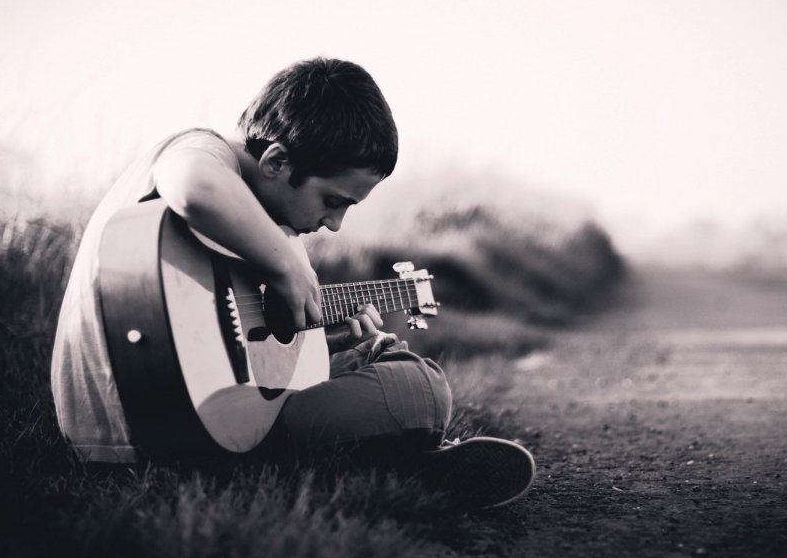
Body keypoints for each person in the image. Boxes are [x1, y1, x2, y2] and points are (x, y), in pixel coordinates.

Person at [50, 57, 534, 510]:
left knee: (369, 350)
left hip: (176, 420)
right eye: (333, 200)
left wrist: (319, 341)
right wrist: (287, 265)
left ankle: (383, 461)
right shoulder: (201, 150)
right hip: (154, 430)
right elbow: (193, 186)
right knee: (422, 387)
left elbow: (223, 341)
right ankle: (391, 458)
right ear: (277, 161)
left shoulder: (249, 217)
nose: (335, 224)